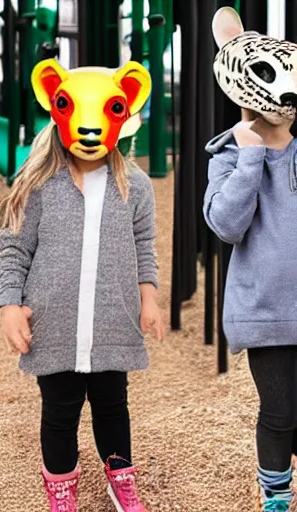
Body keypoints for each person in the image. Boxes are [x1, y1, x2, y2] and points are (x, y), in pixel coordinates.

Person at [0, 58, 165, 512]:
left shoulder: (135, 185)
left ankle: (120, 478)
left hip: (113, 321)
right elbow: (13, 249)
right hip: (54, 323)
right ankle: (61, 489)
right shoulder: (37, 184)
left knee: (113, 404)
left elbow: (144, 245)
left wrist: (148, 297)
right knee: (60, 410)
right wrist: (10, 304)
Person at [205, 7, 297, 511]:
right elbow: (226, 224)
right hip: (267, 312)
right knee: (280, 412)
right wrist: (251, 156)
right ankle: (276, 498)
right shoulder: (225, 156)